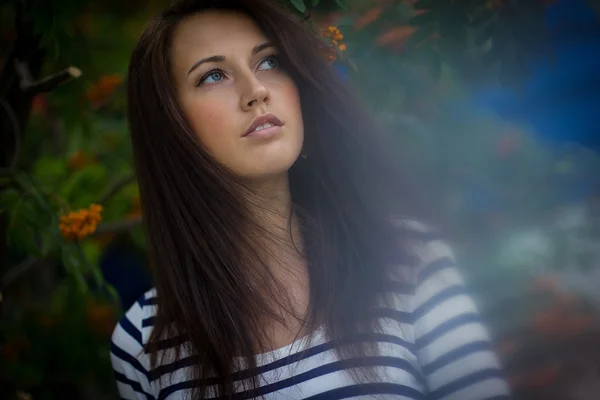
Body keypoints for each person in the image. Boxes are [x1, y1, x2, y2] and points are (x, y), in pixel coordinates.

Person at [110, 0, 511, 399]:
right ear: (170, 124)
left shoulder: (404, 259)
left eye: (268, 62)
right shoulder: (143, 344)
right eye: (214, 75)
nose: (257, 91)